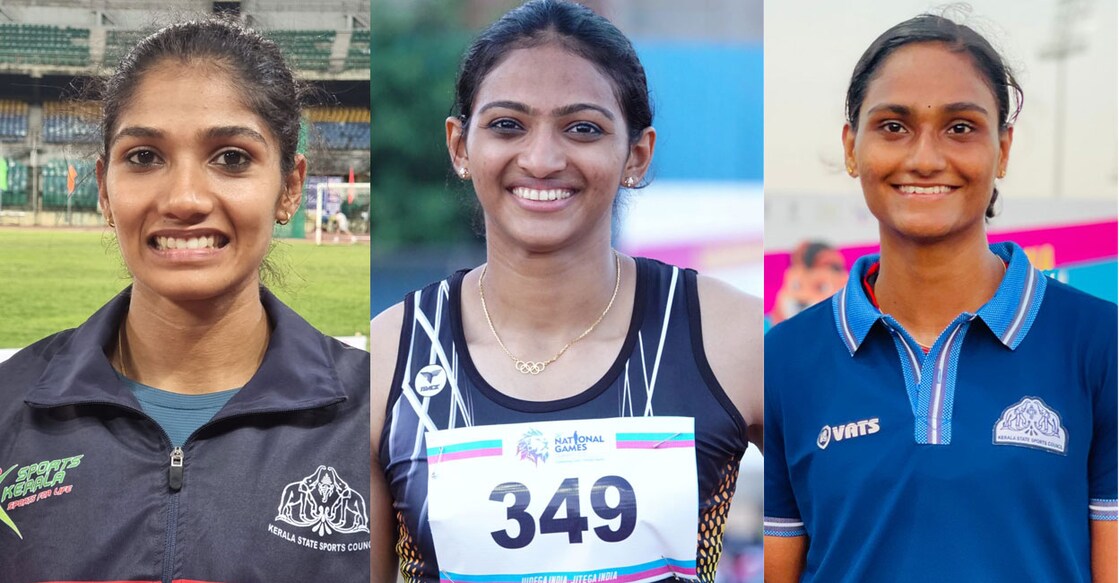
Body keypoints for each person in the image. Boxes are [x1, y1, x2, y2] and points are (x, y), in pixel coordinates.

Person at [370, 1, 763, 581]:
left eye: (583, 128)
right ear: (459, 146)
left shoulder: (734, 338)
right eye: (508, 125)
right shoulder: (387, 360)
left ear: (637, 153)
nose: (542, 159)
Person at [0, 19, 370, 581]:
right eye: (145, 156)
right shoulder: (11, 407)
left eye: (232, 158)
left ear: (290, 187)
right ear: (104, 188)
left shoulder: (378, 417)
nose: (185, 199)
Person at [763, 14, 1117, 582]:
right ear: (852, 147)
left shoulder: (1102, 343)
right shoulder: (783, 360)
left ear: (1002, 149)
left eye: (960, 127)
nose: (925, 158)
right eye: (894, 126)